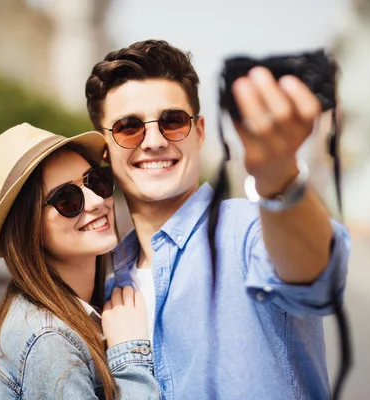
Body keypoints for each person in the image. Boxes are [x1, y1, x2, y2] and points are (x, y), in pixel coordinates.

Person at [85, 40, 351, 399]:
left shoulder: (247, 232)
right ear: (105, 148)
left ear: (200, 131)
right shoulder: (107, 288)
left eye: (173, 121)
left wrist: (278, 177)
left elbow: (315, 272)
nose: (153, 141)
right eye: (129, 128)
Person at [0, 123, 160, 399]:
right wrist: (131, 354)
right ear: (28, 229)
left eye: (96, 181)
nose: (96, 201)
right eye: (67, 199)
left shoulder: (68, 310)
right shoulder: (49, 341)